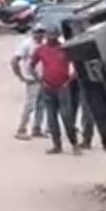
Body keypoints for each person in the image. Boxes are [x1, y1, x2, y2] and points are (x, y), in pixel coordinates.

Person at [30, 24, 80, 155]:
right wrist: (40, 81)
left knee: (67, 117)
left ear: (58, 36)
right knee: (51, 119)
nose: (52, 38)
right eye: (49, 36)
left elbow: (77, 66)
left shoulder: (65, 49)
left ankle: (74, 143)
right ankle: (57, 145)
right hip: (48, 87)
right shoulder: (40, 50)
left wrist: (70, 81)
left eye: (54, 36)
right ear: (46, 36)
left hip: (63, 87)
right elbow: (31, 66)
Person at [10, 29, 46, 140]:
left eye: (41, 32)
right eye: (37, 32)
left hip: (44, 79)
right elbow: (14, 61)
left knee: (41, 105)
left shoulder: (44, 43)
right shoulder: (27, 44)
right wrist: (21, 76)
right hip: (32, 79)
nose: (39, 35)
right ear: (33, 33)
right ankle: (21, 129)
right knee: (30, 105)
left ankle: (37, 128)